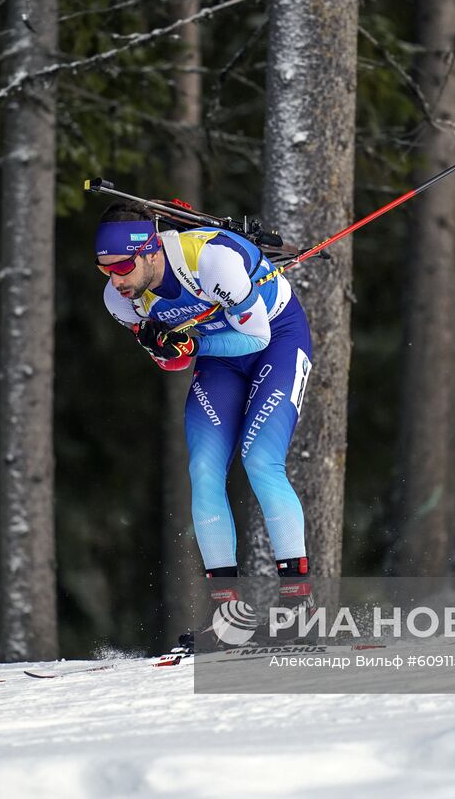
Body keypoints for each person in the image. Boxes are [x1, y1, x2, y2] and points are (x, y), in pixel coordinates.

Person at [94, 202, 314, 650]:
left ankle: (298, 612)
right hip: (218, 359)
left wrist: (190, 340)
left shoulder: (212, 261)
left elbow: (256, 338)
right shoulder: (120, 300)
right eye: (104, 269)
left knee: (260, 461)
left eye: (120, 265)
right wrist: (163, 345)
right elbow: (172, 361)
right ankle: (231, 621)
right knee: (204, 471)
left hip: (276, 340)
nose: (115, 279)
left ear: (151, 251)